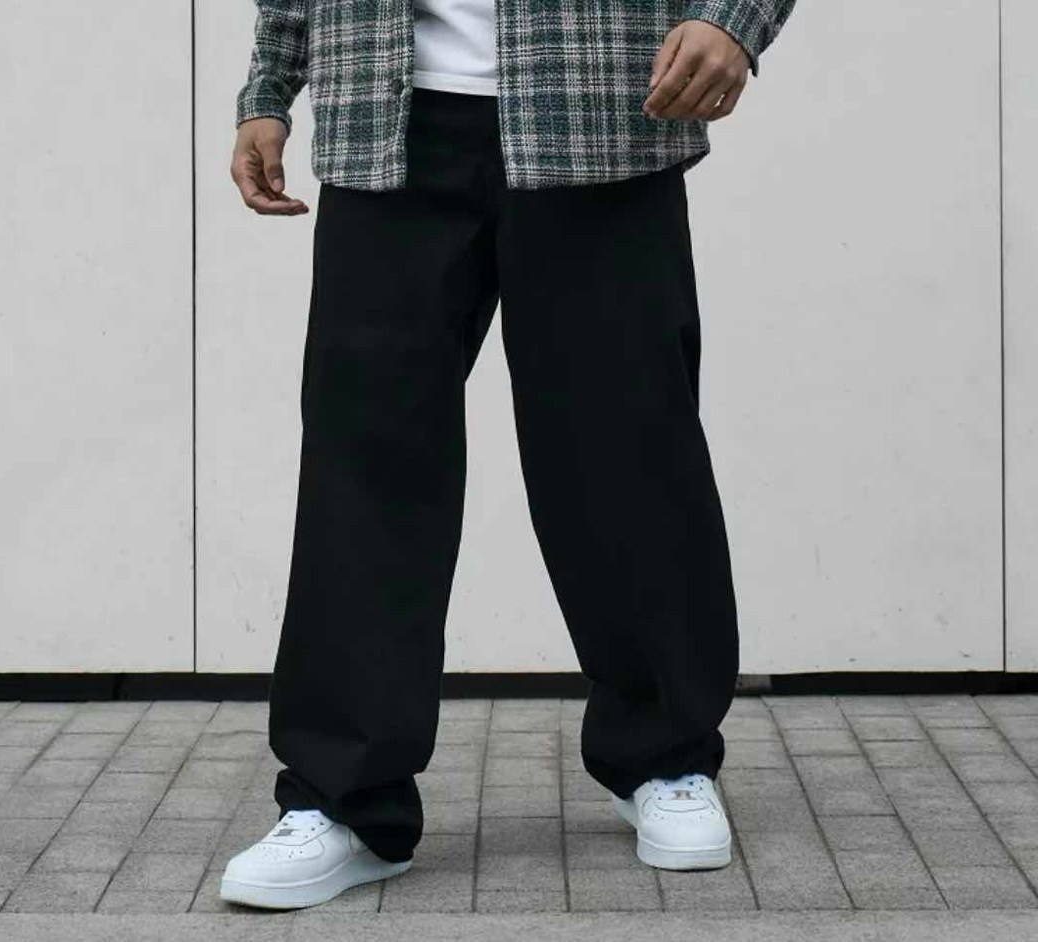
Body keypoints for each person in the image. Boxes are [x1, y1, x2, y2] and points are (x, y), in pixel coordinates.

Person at [221, 0, 794, 911]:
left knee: (628, 455)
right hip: (384, 115)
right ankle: (344, 800)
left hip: (602, 104)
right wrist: (269, 87)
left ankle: (666, 758)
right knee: (361, 467)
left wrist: (733, 20)